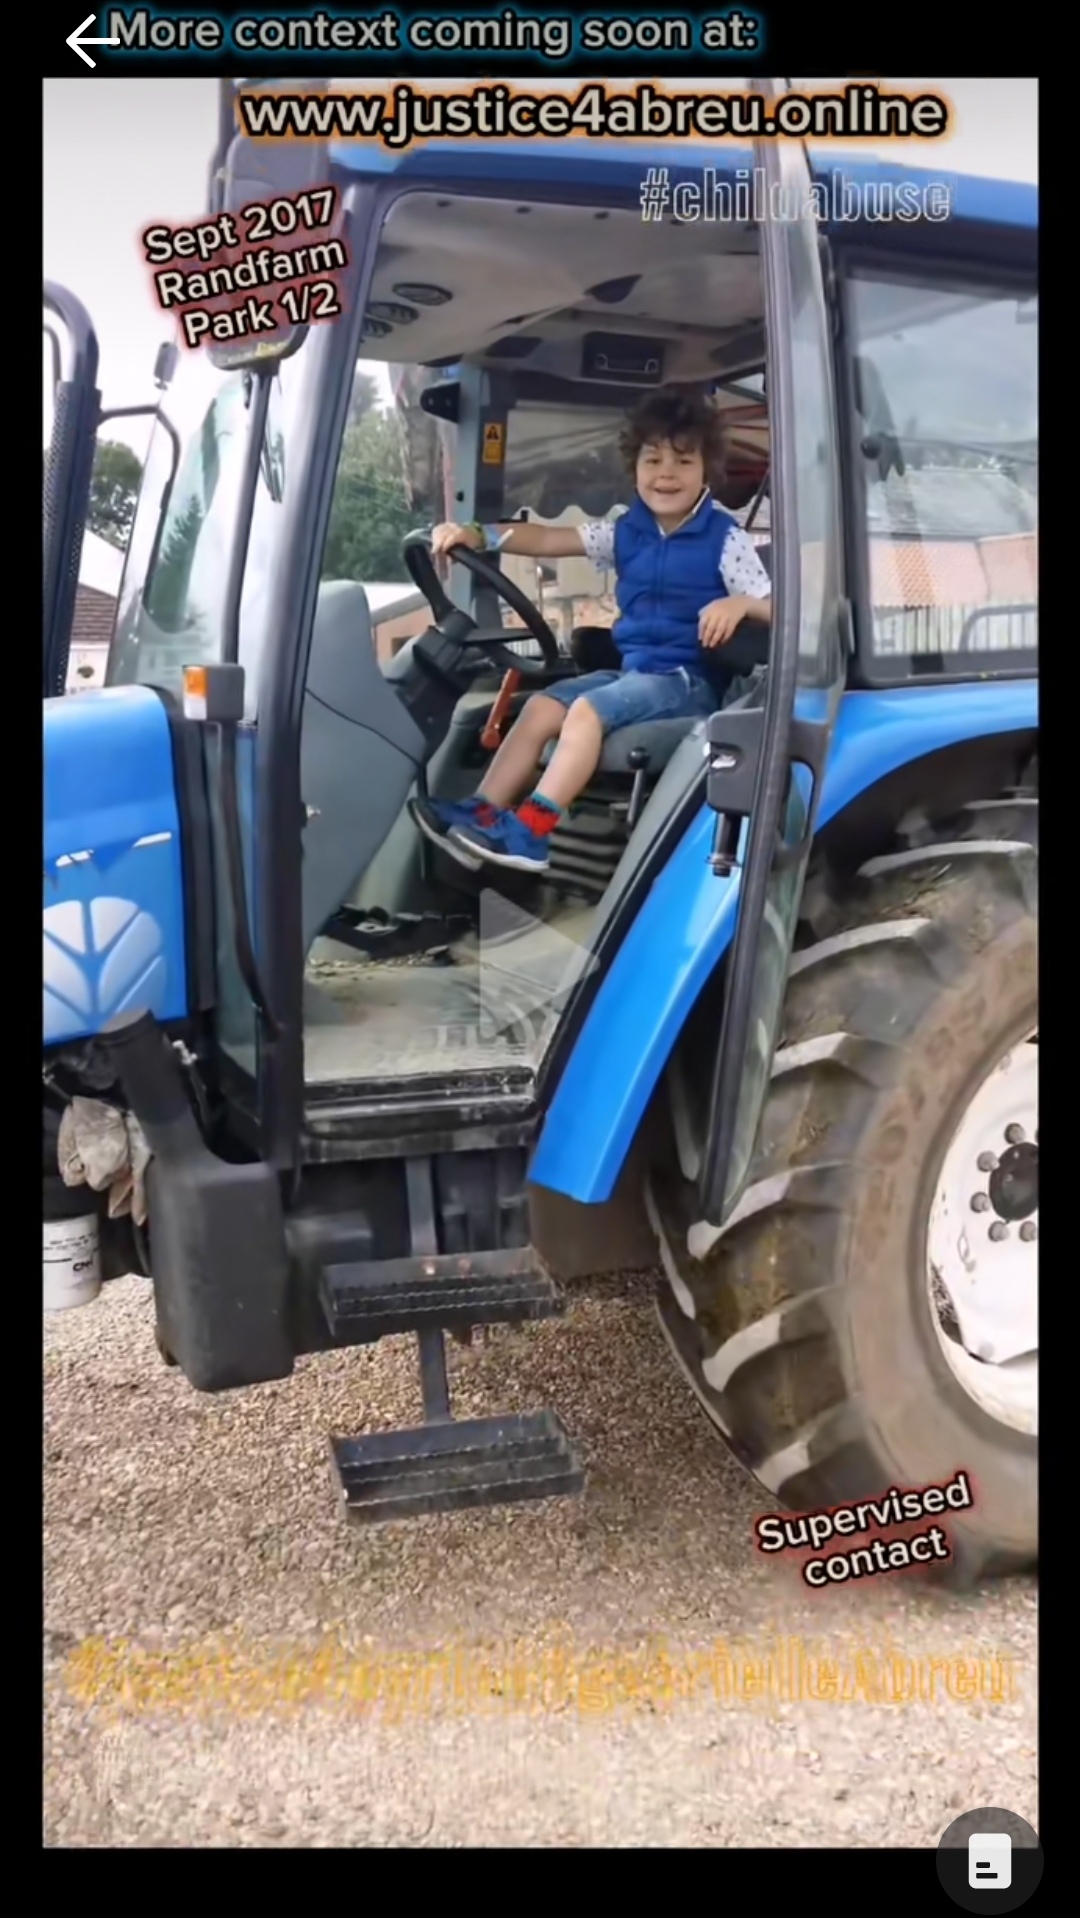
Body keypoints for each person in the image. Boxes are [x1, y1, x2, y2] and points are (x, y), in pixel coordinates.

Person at [410, 386, 772, 874]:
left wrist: (739, 603)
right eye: (653, 460)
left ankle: (532, 832)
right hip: (634, 673)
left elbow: (780, 609)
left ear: (706, 469)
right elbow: (547, 537)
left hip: (686, 681)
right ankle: (485, 810)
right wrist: (479, 533)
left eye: (683, 462)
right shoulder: (624, 531)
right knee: (539, 707)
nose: (667, 473)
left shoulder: (725, 539)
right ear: (635, 469)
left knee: (583, 711)